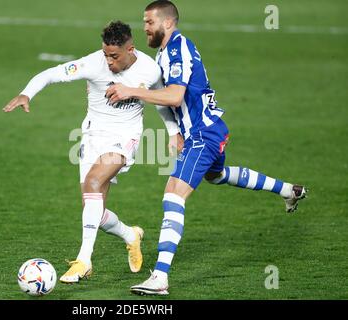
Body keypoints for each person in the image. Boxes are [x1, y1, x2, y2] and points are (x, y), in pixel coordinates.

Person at [105, 0, 307, 295]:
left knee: (173, 194)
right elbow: (173, 100)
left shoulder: (177, 49)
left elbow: (174, 96)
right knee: (216, 175)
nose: (145, 28)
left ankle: (160, 278)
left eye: (149, 23)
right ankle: (289, 190)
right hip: (206, 132)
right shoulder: (166, 53)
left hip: (204, 134)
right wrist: (174, 131)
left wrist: (131, 91)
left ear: (168, 23)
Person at [3, 21, 182, 284]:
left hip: (124, 138)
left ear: (130, 49)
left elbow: (160, 102)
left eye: (114, 56)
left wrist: (171, 131)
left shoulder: (150, 69)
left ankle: (84, 260)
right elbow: (51, 74)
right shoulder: (93, 63)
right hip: (91, 136)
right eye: (106, 54)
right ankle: (130, 235)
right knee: (94, 212)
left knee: (94, 182)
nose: (108, 61)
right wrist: (25, 94)